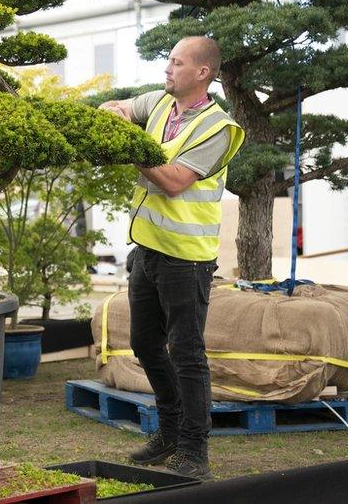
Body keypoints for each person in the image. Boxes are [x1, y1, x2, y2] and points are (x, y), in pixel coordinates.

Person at [98, 36, 245, 480]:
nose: (167, 69)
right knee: (144, 343)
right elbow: (115, 108)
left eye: (176, 63)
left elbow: (175, 181)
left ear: (202, 73)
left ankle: (194, 449)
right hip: (147, 248)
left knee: (187, 352)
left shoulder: (219, 129)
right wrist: (119, 115)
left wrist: (129, 145)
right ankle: (169, 431)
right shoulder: (161, 104)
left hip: (186, 258)